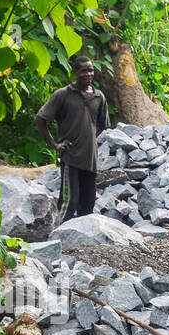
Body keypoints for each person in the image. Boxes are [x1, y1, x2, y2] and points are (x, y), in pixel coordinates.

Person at [36, 55, 110, 223]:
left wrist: (88, 138)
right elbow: (40, 119)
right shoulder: (63, 95)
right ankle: (57, 234)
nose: (88, 74)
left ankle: (80, 242)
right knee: (70, 201)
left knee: (88, 203)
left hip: (90, 158)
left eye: (91, 70)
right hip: (71, 157)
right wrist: (55, 145)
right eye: (84, 71)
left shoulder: (99, 97)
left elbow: (102, 124)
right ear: (75, 72)